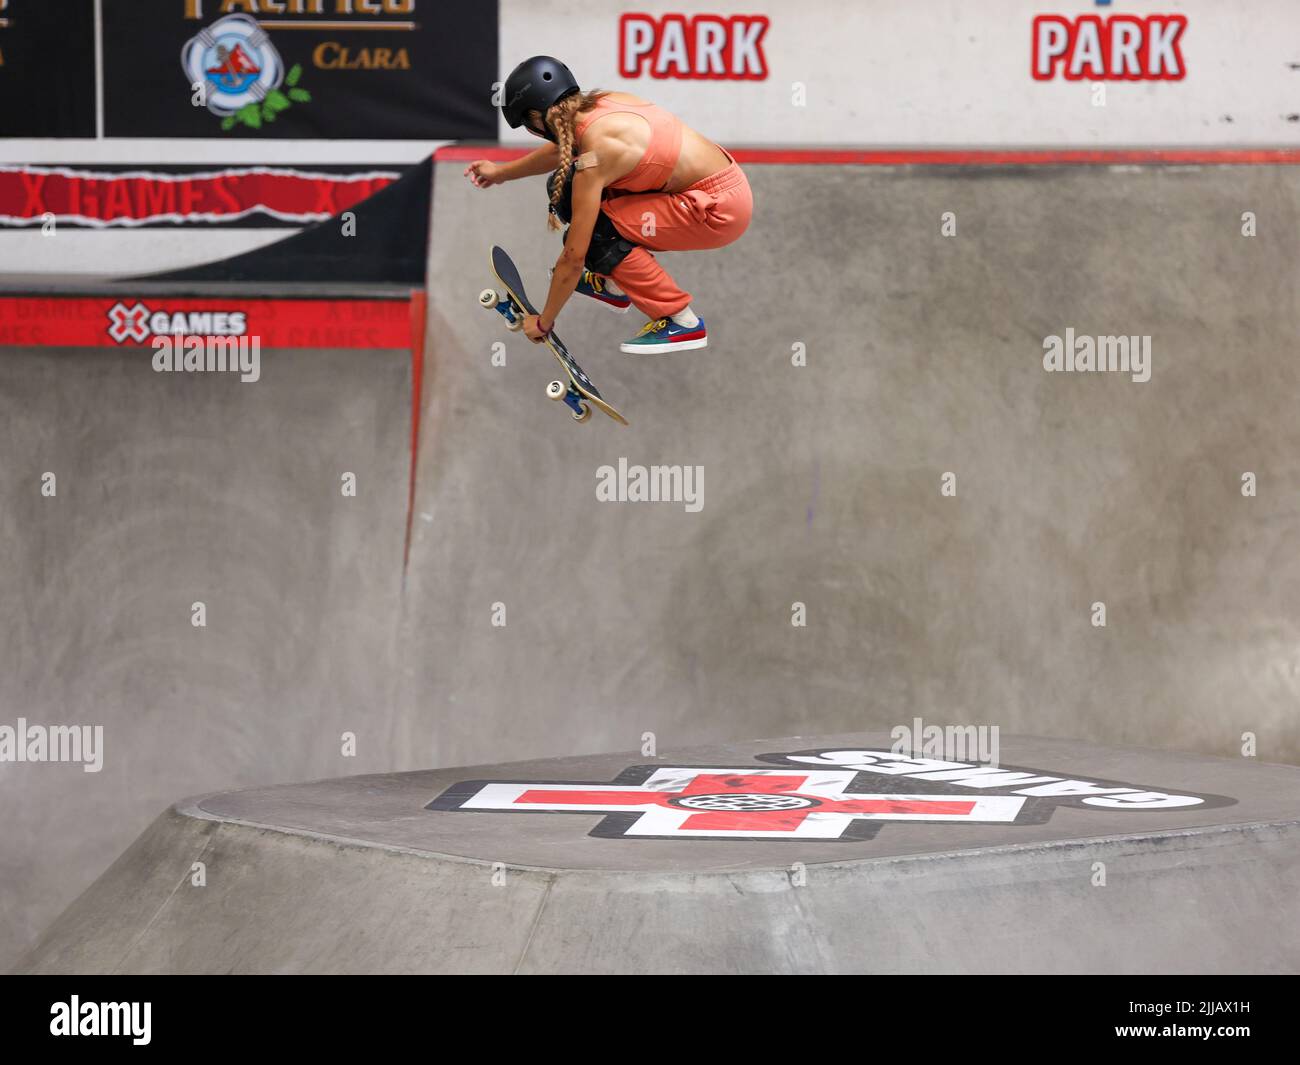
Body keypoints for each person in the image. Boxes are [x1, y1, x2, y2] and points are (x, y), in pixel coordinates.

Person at [464, 56, 752, 353]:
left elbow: (574, 257)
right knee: (562, 187)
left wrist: (544, 320)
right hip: (717, 187)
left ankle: (680, 320)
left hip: (718, 210)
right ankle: (613, 286)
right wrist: (500, 173)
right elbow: (560, 151)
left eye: (527, 125)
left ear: (537, 117)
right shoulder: (602, 104)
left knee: (596, 238)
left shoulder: (596, 159)